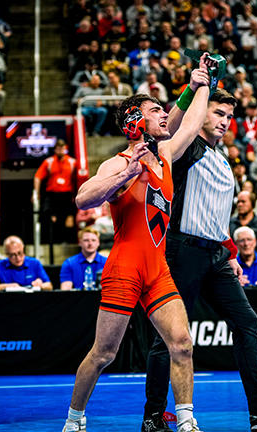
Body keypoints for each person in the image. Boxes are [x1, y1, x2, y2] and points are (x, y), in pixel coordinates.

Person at [61, 53, 214, 432]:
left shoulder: (164, 154)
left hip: (157, 268)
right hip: (125, 269)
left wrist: (202, 83)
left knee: (182, 344)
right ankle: (74, 419)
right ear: (135, 123)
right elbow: (83, 199)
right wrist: (126, 174)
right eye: (157, 110)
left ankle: (185, 421)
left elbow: (190, 122)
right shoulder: (118, 163)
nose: (166, 115)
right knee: (104, 354)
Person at [142, 88, 257, 432]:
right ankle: (153, 416)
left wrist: (230, 252)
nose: (225, 122)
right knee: (170, 338)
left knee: (247, 322)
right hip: (182, 251)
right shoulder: (186, 147)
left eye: (229, 117)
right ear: (202, 113)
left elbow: (216, 214)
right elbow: (175, 128)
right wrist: (198, 87)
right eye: (218, 113)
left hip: (216, 255)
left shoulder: (221, 157)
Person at [33, 140, 77, 244]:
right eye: (58, 148)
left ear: (65, 149)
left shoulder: (72, 162)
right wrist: (36, 192)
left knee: (67, 220)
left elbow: (77, 180)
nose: (60, 150)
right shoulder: (49, 162)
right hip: (52, 195)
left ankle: (66, 241)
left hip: (66, 195)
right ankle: (48, 241)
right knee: (48, 217)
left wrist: (75, 194)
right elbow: (37, 177)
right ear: (55, 150)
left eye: (62, 148)